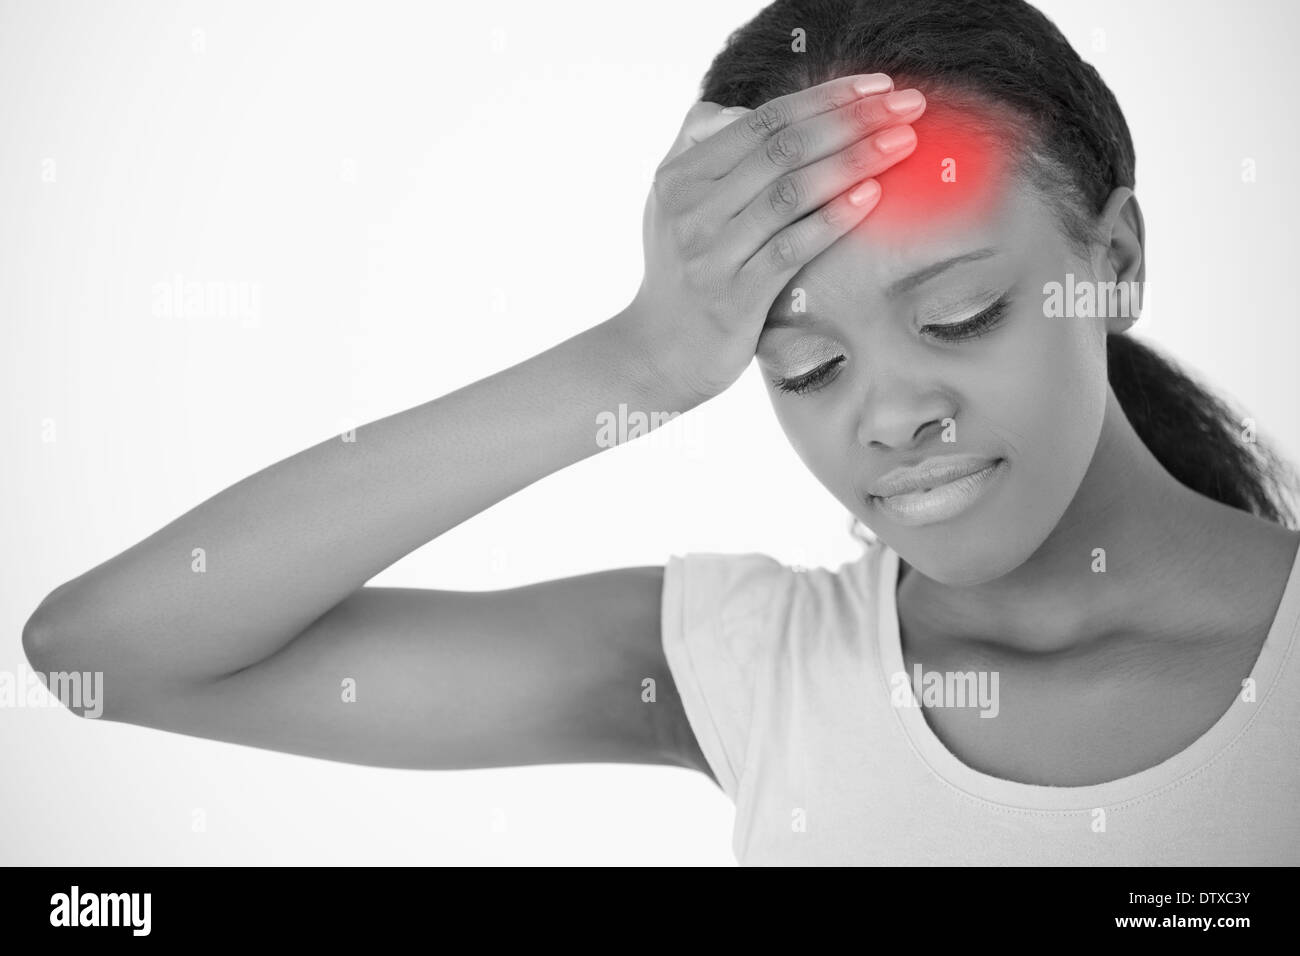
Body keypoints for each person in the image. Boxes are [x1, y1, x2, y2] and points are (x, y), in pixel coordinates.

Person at [22, 0, 1300, 864]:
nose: (896, 411)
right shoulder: (750, 670)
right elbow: (111, 654)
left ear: (1115, 260)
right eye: (804, 364)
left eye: (960, 315)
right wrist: (632, 359)